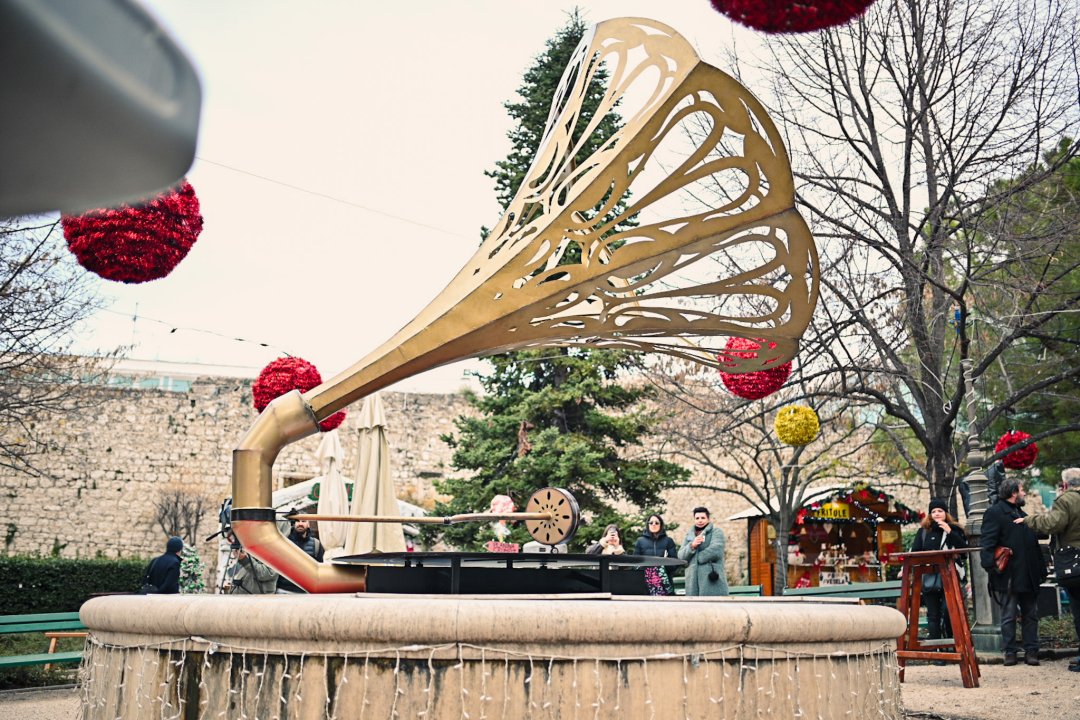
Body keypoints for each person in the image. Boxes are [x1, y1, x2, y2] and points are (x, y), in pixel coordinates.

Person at [980, 478, 1048, 666]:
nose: (1024, 493)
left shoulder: (1022, 514)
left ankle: (1031, 651)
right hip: (1008, 575)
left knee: (1030, 614)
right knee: (1008, 615)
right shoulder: (995, 513)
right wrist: (991, 568)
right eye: (1022, 490)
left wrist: (1041, 570)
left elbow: (1034, 546)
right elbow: (987, 544)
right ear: (1013, 493)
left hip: (1028, 575)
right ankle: (1010, 652)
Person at [1020, 467, 1080, 673]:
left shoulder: (1066, 500)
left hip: (1075, 562)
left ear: (1064, 485)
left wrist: (1029, 520)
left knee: (1078, 608)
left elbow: (1053, 524)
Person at [911, 499, 968, 650]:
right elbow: (915, 552)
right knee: (933, 614)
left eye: (940, 511)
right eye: (933, 511)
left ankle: (952, 645)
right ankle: (937, 648)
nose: (936, 514)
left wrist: (949, 531)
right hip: (929, 575)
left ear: (946, 513)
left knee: (950, 611)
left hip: (949, 576)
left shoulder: (955, 529)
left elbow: (964, 551)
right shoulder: (924, 531)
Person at [678, 507, 728, 596]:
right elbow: (681, 556)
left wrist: (697, 558)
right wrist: (692, 546)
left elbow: (716, 550)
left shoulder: (716, 532)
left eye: (703, 518)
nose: (700, 521)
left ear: (709, 519)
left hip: (711, 579)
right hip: (693, 581)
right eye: (697, 518)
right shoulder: (689, 535)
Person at [276, 516, 325, 594]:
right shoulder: (285, 540)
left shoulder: (316, 544)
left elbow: (319, 569)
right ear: (294, 523)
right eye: (297, 521)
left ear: (308, 524)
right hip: (284, 589)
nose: (300, 523)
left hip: (306, 591)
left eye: (303, 521)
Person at [635, 514, 678, 596]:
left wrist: (663, 565)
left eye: (657, 522)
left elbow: (675, 563)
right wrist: (641, 569)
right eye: (651, 522)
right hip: (645, 583)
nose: (654, 524)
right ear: (648, 525)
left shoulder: (668, 541)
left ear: (661, 524)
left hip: (664, 583)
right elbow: (634, 562)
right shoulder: (640, 541)